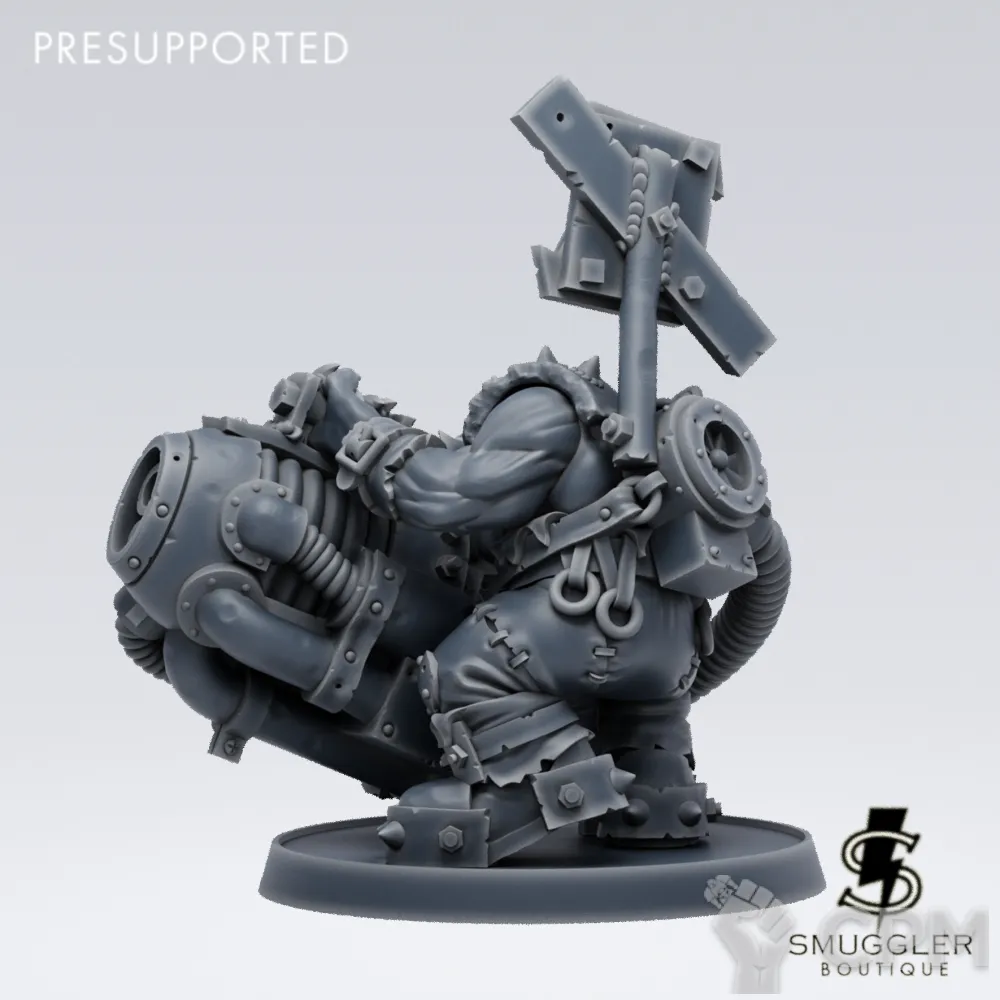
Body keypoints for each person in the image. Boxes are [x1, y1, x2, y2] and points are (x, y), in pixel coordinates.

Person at [314, 349, 717, 867]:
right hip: (676, 655)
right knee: (643, 724)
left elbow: (442, 494)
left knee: (465, 669)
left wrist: (357, 426)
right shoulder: (664, 437)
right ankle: (659, 790)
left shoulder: (545, 405)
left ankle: (529, 791)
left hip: (579, 618)